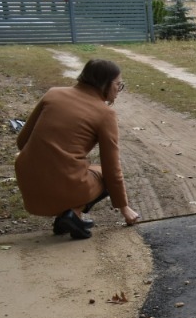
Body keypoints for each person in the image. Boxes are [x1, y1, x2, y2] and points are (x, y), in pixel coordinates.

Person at [14, 59, 140, 239]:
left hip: (28, 182)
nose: (118, 90)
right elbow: (112, 168)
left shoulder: (53, 94)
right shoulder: (105, 114)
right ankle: (73, 214)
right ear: (105, 83)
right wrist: (124, 208)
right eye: (118, 84)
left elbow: (22, 142)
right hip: (65, 185)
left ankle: (69, 218)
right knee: (102, 174)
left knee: (79, 171)